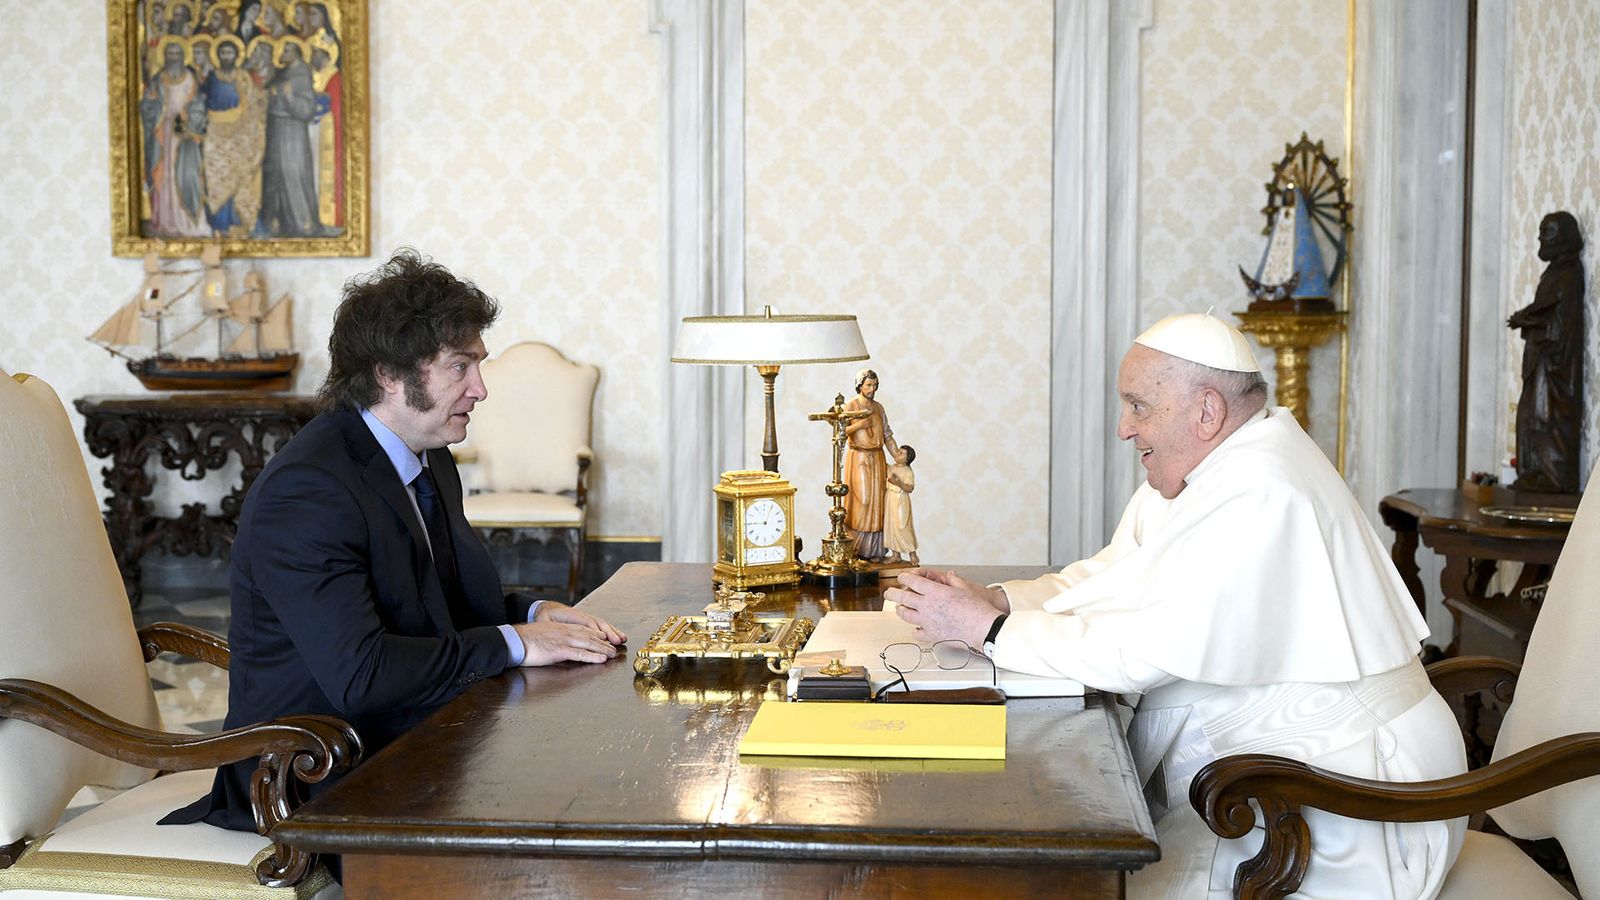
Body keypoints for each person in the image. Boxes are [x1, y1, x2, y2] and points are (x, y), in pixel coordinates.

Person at [887, 311, 1467, 899]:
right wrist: (999, 600)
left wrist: (989, 630)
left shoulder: (1261, 489)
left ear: (1207, 411)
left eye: (1138, 406)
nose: (1122, 428)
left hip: (1349, 801)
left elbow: (1142, 654)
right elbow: (1113, 576)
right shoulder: (1206, 470)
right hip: (1272, 776)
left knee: (1081, 884)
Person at [165, 249, 627, 834]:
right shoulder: (307, 491)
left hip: (407, 734)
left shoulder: (429, 457)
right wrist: (516, 641)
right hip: (313, 772)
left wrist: (539, 614)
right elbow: (364, 675)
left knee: (580, 775)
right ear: (389, 373)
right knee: (558, 812)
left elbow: (438, 604)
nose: (481, 389)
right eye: (460, 367)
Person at [1508, 210, 1586, 493]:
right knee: (1530, 415)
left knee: (1546, 416)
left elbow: (1561, 321)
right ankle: (1534, 471)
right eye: (1541, 231)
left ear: (1564, 237)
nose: (1541, 238)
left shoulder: (1569, 273)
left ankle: (1552, 475)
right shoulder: (1554, 271)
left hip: (1555, 365)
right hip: (1540, 361)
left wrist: (1530, 321)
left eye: (1548, 232)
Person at [257, 36, 326, 236]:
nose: (282, 54)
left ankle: (302, 222)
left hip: (293, 131)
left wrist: (288, 98)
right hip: (275, 128)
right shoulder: (280, 74)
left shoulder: (302, 75)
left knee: (292, 172)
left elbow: (307, 109)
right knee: (275, 174)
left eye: (287, 50)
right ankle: (276, 221)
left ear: (296, 52)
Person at [843, 368, 898, 560]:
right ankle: (856, 547)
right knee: (863, 500)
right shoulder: (850, 405)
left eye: (875, 385)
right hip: (859, 457)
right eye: (868, 385)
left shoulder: (879, 407)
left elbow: (887, 434)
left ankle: (874, 550)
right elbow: (840, 431)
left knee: (878, 501)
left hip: (877, 457)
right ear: (860, 385)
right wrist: (859, 425)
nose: (872, 389)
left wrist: (897, 455)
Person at [883, 443, 917, 565]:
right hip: (890, 498)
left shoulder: (907, 471)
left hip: (901, 499)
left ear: (907, 459)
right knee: (890, 526)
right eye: (898, 451)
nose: (898, 453)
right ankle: (895, 554)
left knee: (903, 526)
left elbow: (910, 488)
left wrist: (898, 483)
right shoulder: (891, 467)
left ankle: (913, 554)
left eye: (902, 453)